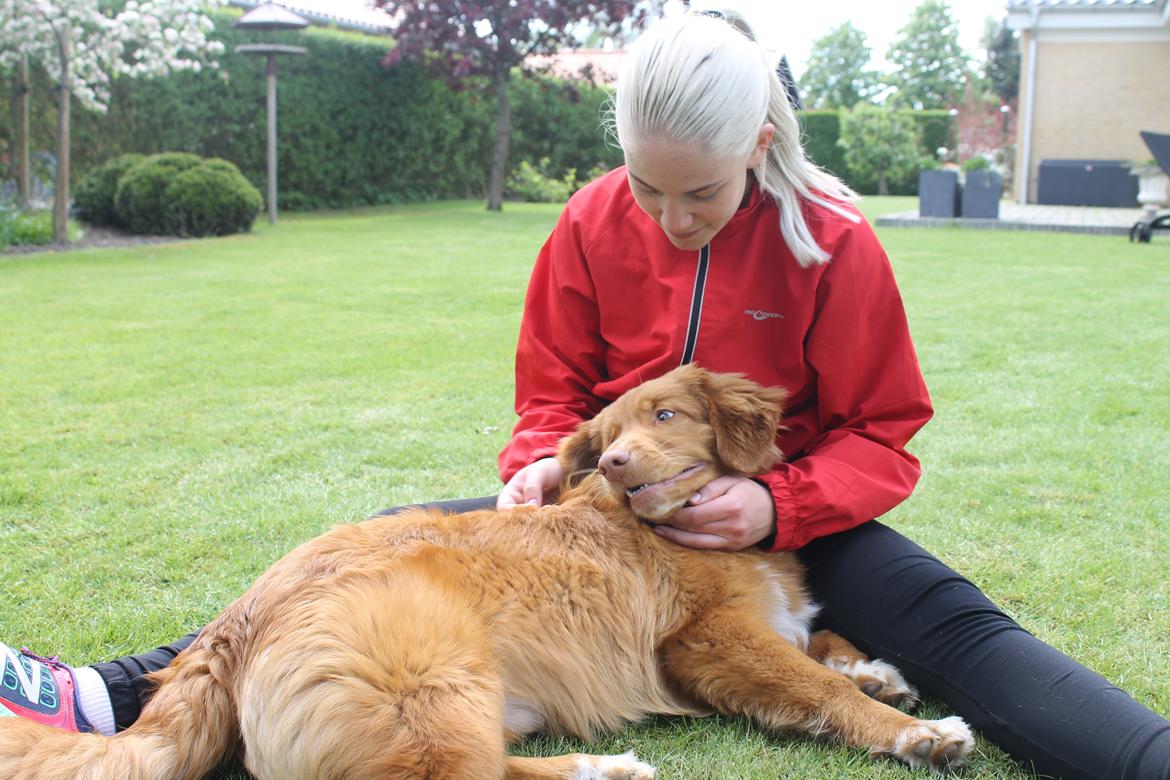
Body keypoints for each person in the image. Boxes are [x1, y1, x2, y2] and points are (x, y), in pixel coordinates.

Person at [3, 10, 1168, 779]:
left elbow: (888, 433)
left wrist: (777, 507)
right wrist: (531, 463)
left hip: (792, 515)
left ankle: (1138, 751)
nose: (670, 218)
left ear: (758, 144)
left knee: (957, 624)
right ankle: (110, 695)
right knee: (383, 549)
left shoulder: (837, 243)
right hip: (599, 508)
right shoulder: (587, 220)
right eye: (647, 188)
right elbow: (550, 392)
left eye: (699, 192)